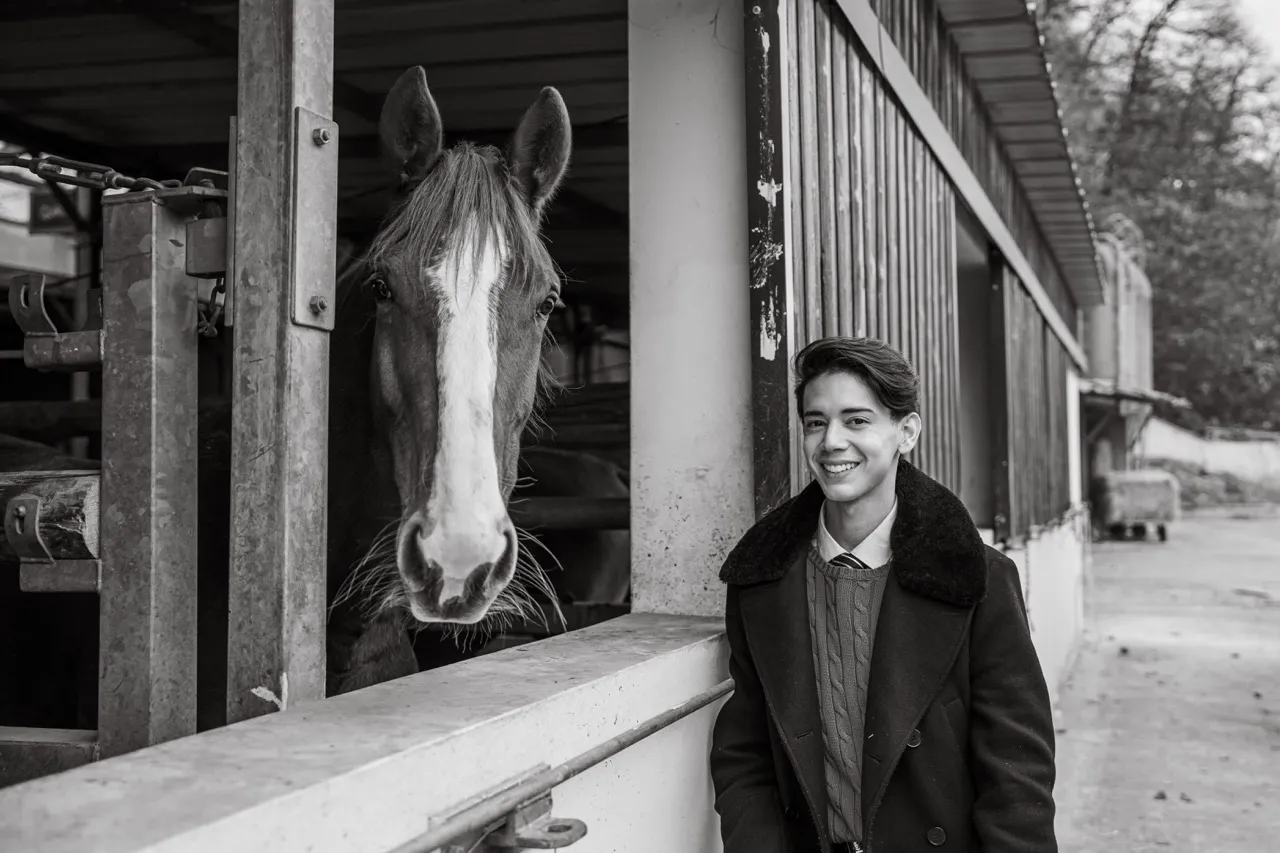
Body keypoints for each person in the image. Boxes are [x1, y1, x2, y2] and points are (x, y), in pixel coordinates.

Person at [709, 336, 1057, 853]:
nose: (831, 442)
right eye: (815, 422)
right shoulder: (762, 579)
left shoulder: (976, 578)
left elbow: (1017, 765)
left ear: (906, 432)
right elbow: (745, 751)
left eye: (857, 420)